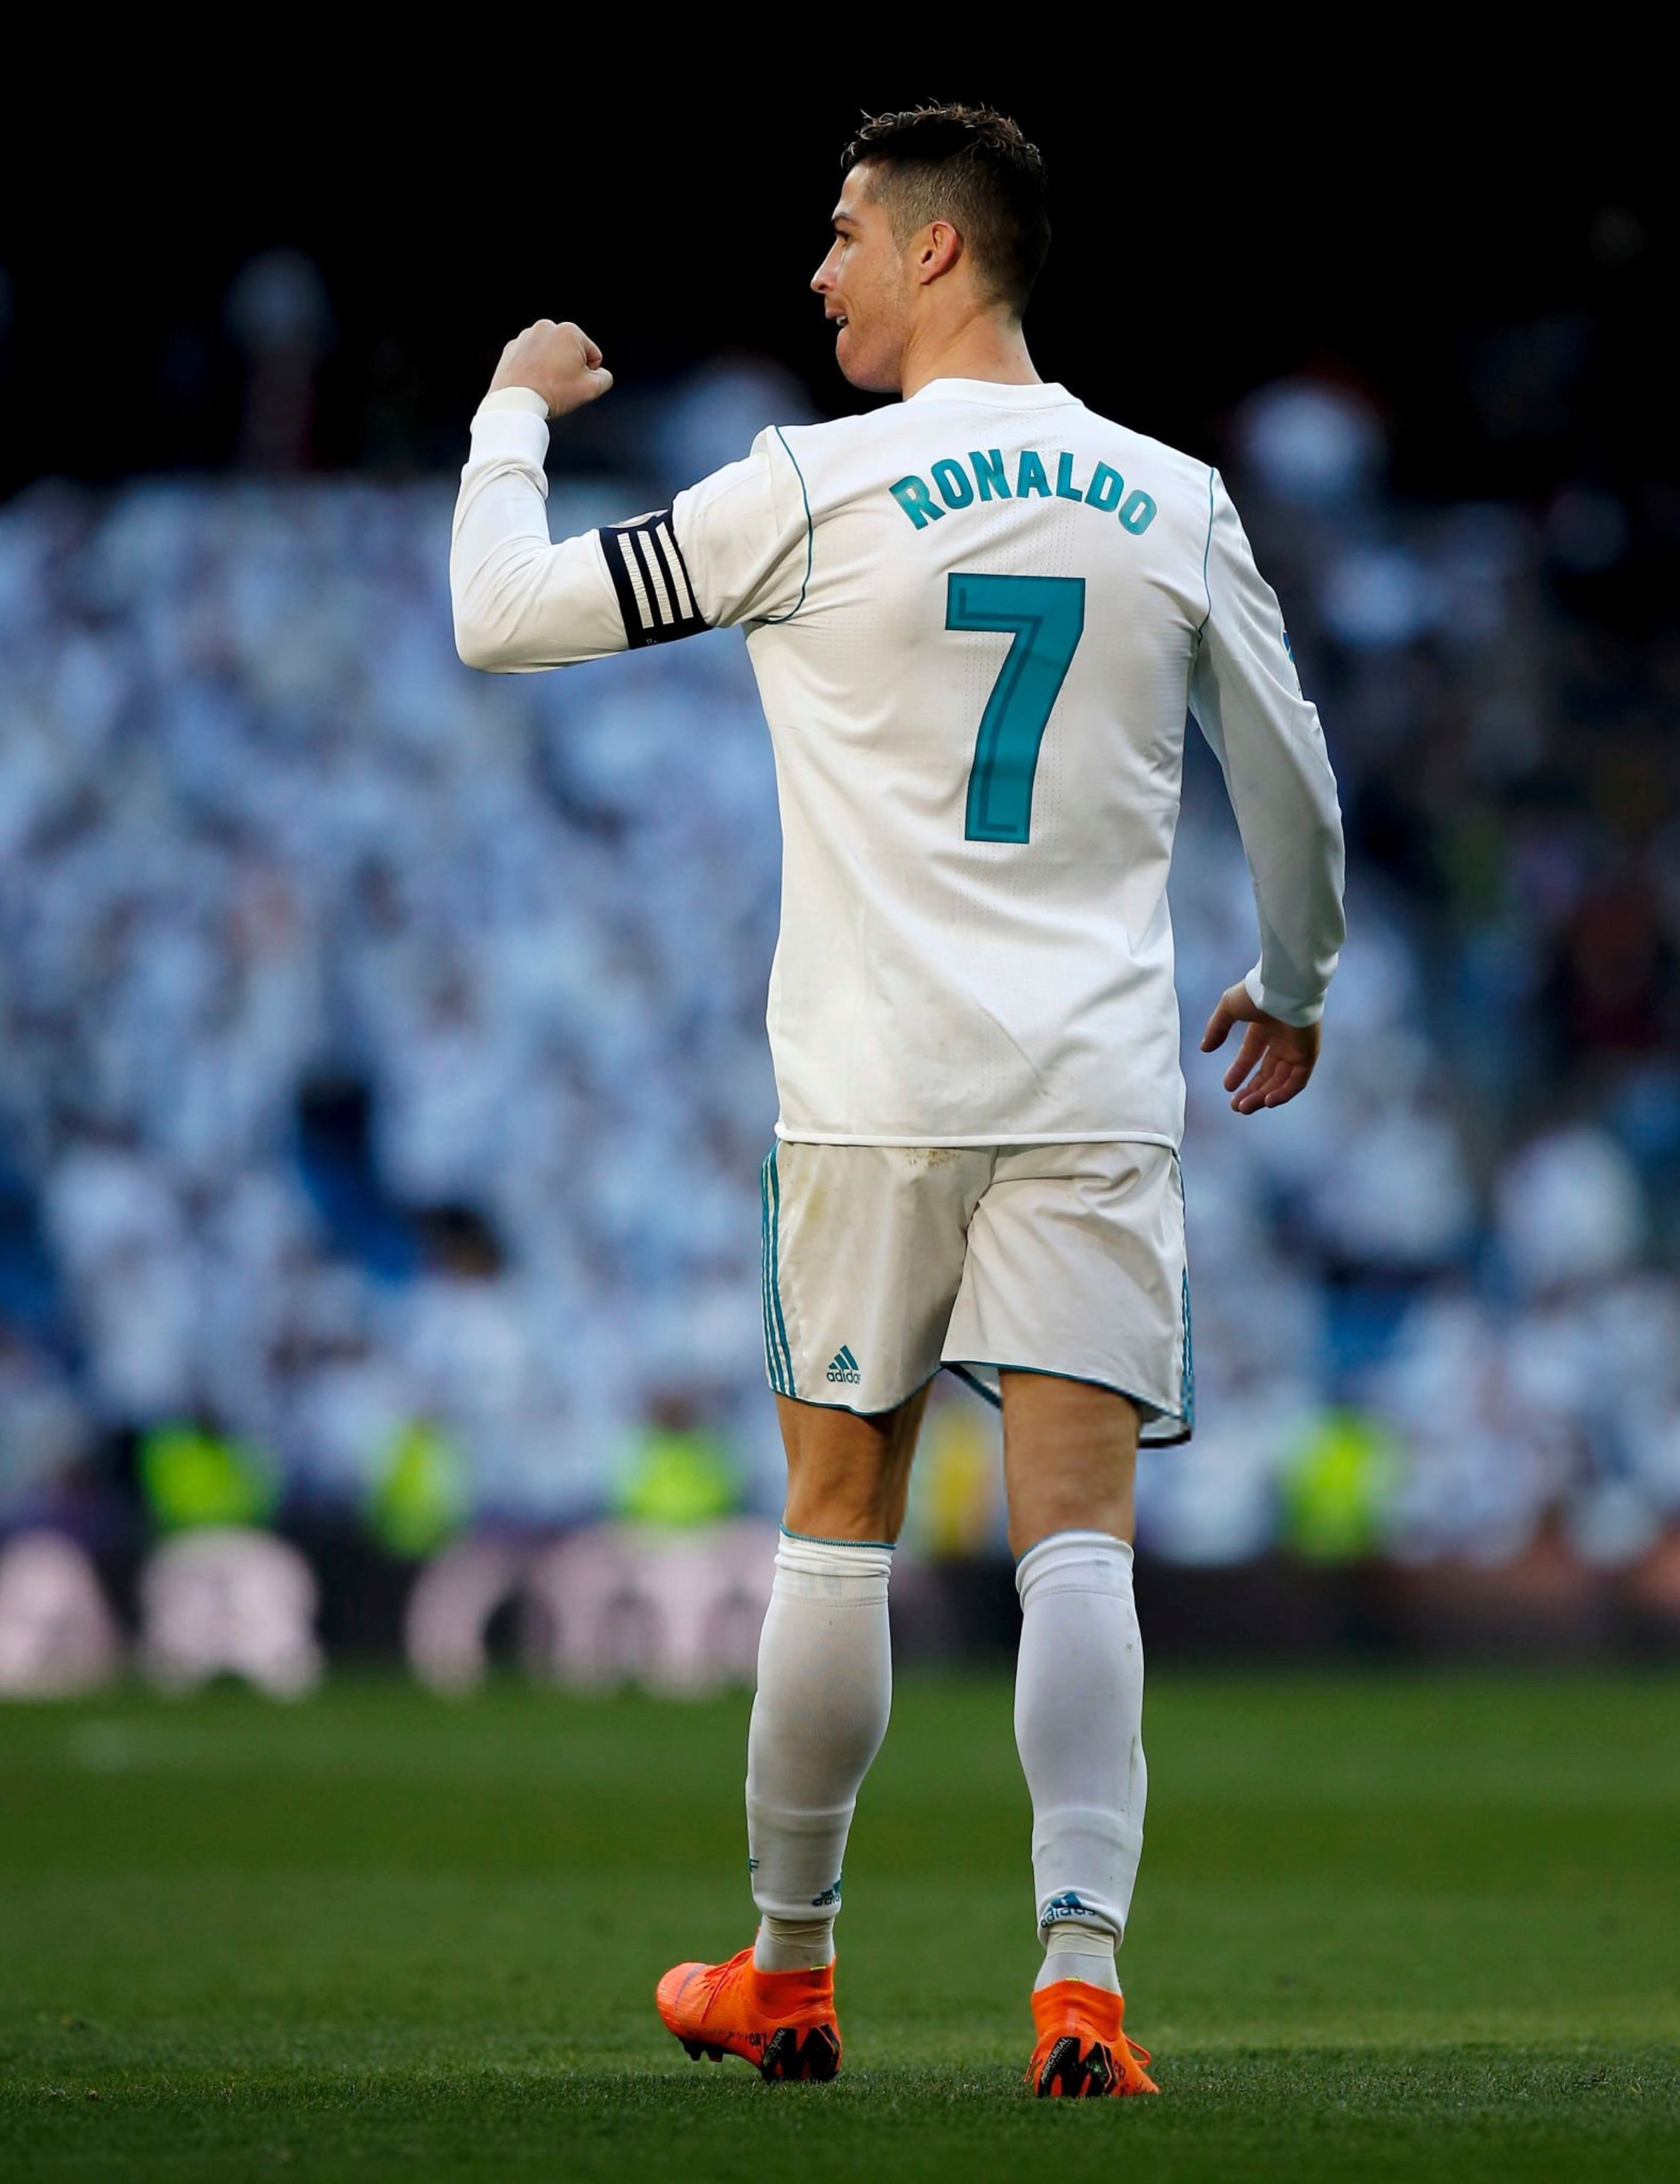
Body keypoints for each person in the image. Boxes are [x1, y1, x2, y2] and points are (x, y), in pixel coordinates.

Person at [450, 102, 1344, 2099]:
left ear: (941, 247)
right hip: (1090, 1084)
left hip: (871, 1092)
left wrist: (512, 412)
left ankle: (788, 1974)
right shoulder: (1170, 498)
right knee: (1078, 1545)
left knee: (837, 1531)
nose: (822, 269)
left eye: (846, 232)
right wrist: (1293, 986)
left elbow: (498, 616)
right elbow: (1292, 783)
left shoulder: (808, 488)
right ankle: (1081, 1986)